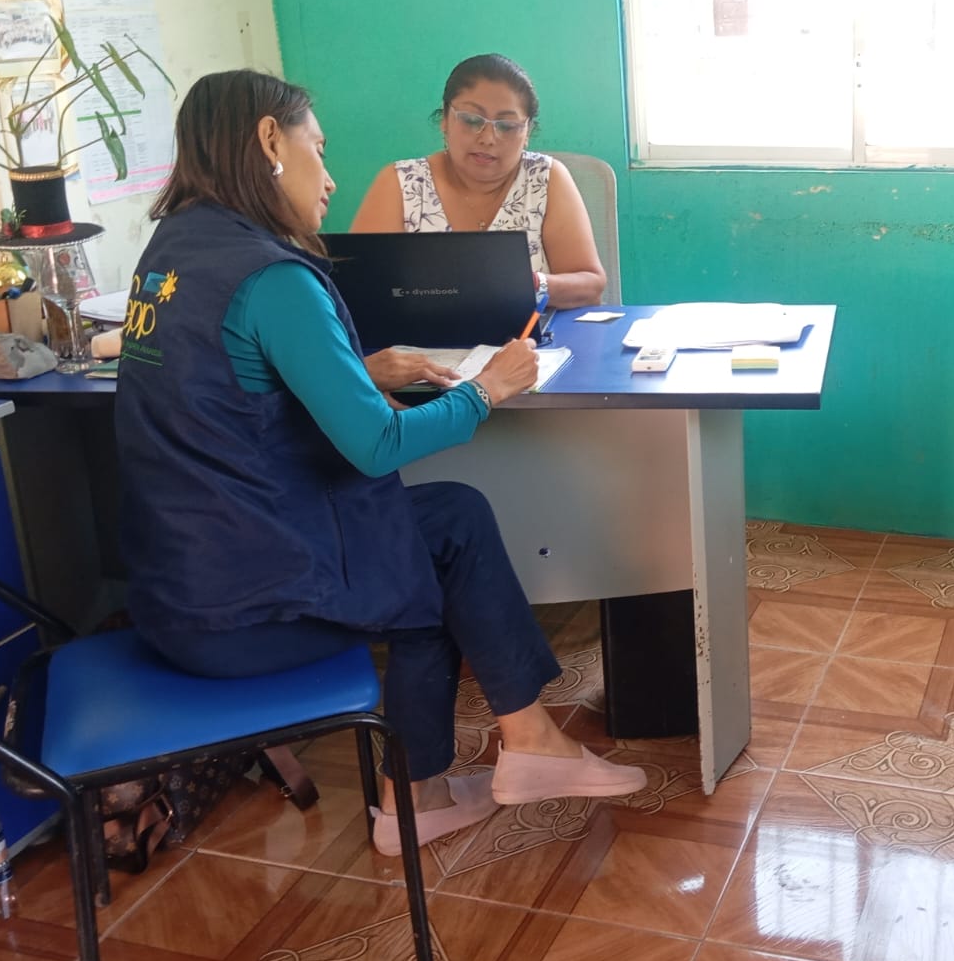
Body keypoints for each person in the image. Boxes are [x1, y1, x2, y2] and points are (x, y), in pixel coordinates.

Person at [115, 70, 644, 858]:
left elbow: (228, 388)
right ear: (269, 141)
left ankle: (492, 762)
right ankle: (447, 783)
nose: (328, 177)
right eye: (318, 149)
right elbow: (378, 445)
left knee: (444, 521)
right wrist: (490, 388)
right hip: (242, 612)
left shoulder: (171, 253)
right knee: (429, 567)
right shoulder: (274, 277)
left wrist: (356, 373)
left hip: (174, 584)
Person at [351, 53, 607, 308]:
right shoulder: (401, 183)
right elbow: (358, 289)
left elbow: (591, 287)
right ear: (445, 119)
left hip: (530, 333)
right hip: (418, 335)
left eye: (507, 126)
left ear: (527, 131)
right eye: (472, 120)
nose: (487, 138)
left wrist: (530, 284)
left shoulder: (546, 178)